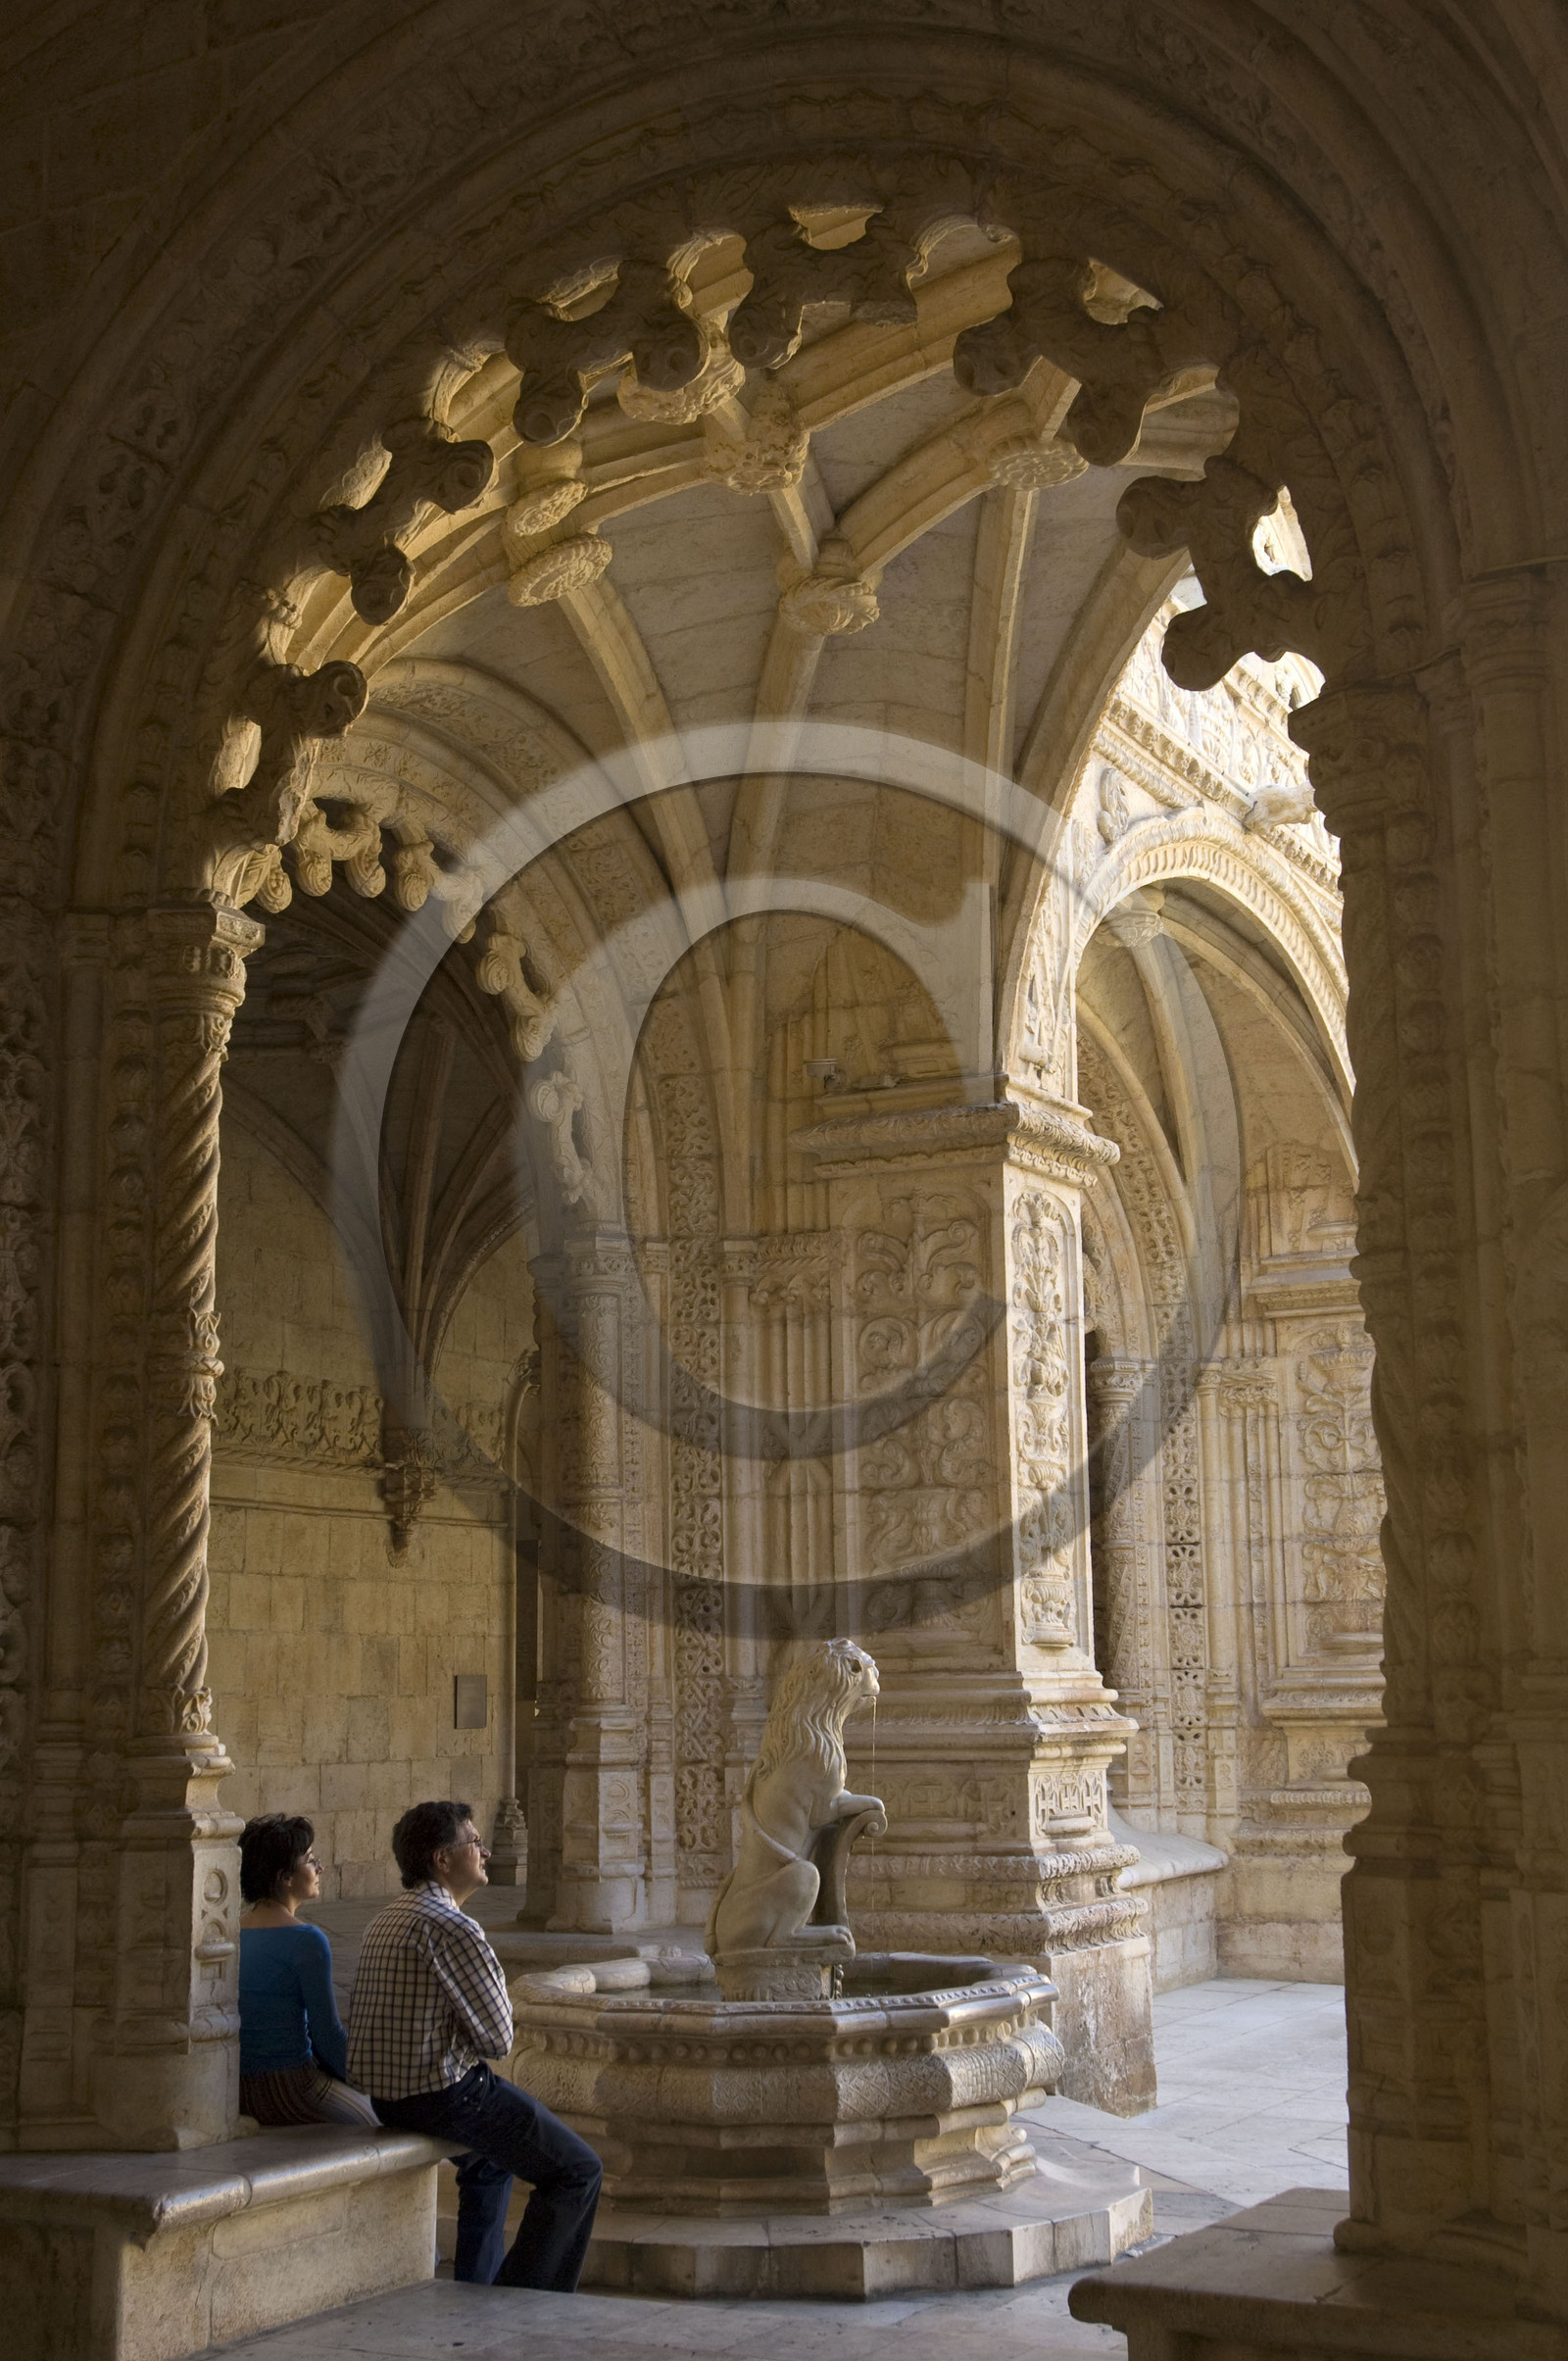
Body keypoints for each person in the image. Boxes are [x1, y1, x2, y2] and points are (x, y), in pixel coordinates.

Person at [349, 1799, 602, 2289]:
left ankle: (476, 2284)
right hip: (445, 2097)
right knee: (578, 2171)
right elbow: (498, 2038)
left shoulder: (386, 1917)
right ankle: (524, 2296)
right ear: (443, 1859)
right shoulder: (454, 1927)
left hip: (388, 2099)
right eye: (474, 1842)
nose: (484, 1852)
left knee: (488, 2162)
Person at [237, 1814, 380, 2129]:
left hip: (237, 2087)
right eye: (311, 1860)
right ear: (286, 1876)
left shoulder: (234, 1931)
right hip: (289, 2087)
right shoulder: (306, 1940)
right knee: (377, 2123)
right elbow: (328, 2035)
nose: (320, 1868)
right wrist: (376, 2085)